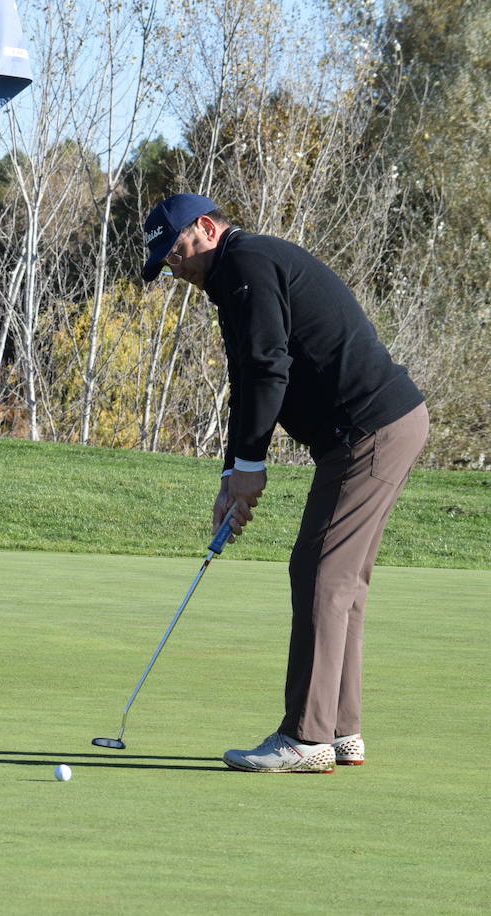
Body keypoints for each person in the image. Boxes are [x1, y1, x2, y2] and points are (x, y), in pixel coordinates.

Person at [141, 193, 428, 773]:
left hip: (368, 427)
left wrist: (253, 463)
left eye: (174, 250)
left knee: (320, 571)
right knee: (343, 579)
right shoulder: (233, 279)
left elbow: (271, 366)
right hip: (379, 426)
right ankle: (342, 731)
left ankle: (307, 735)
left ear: (205, 228)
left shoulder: (247, 264)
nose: (172, 265)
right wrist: (233, 470)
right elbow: (247, 378)